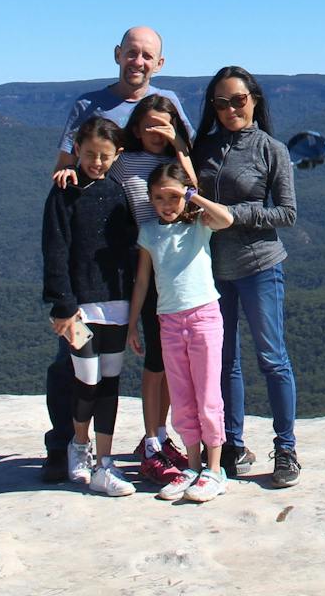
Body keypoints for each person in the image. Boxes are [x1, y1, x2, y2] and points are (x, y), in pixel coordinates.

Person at [40, 26, 194, 484]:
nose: (138, 62)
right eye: (131, 53)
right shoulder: (88, 104)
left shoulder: (167, 103)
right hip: (98, 263)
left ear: (159, 63)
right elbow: (66, 165)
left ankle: (148, 439)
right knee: (71, 359)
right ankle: (63, 444)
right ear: (117, 55)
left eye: (147, 56)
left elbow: (187, 163)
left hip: (152, 256)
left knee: (146, 353)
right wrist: (65, 176)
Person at [191, 65, 301, 486]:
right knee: (224, 361)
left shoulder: (271, 149)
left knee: (272, 358)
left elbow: (287, 214)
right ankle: (232, 445)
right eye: (221, 102)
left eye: (238, 99)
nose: (230, 108)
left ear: (254, 99)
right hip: (213, 270)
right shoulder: (203, 149)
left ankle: (286, 448)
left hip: (259, 266)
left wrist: (234, 216)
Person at [41, 117, 139, 496]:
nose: (96, 162)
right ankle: (78, 448)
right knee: (86, 379)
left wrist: (136, 303)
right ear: (76, 151)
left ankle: (105, 460)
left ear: (117, 155)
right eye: (89, 155)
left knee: (110, 382)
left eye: (104, 156)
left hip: (116, 302)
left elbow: (129, 249)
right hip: (80, 307)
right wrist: (62, 305)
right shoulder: (64, 192)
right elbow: (55, 248)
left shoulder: (118, 192)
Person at [128, 161, 234, 503]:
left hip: (203, 316)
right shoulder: (148, 232)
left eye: (172, 197)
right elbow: (142, 280)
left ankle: (215, 469)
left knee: (207, 395)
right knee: (183, 397)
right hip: (169, 320)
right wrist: (132, 323)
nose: (166, 204)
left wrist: (192, 197)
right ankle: (192, 465)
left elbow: (227, 219)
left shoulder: (200, 224)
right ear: (149, 199)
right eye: (158, 197)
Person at [111, 95, 199, 486]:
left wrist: (180, 148)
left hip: (177, 270)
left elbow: (193, 195)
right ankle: (151, 442)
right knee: (155, 361)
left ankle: (161, 435)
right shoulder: (124, 162)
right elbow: (97, 182)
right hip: (144, 263)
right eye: (149, 125)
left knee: (169, 360)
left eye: (164, 125)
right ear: (135, 126)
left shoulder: (179, 160)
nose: (156, 133)